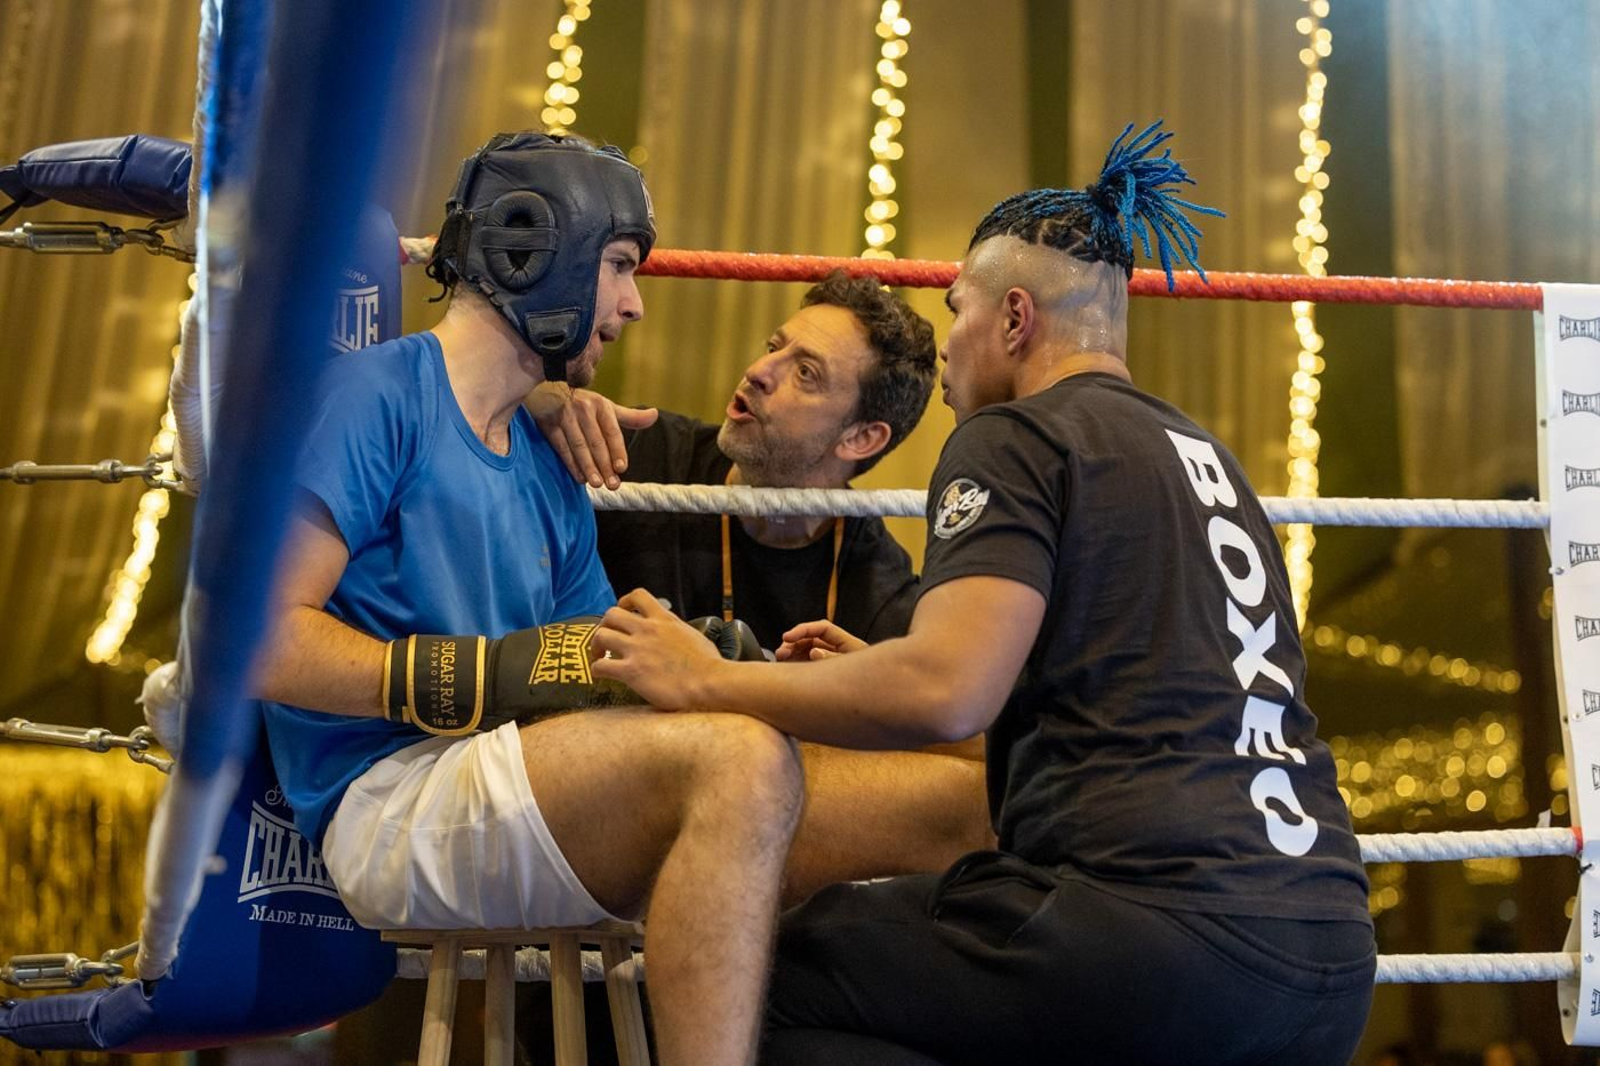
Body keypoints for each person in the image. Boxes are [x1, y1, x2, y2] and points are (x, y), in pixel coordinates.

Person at [587, 121, 1376, 1065]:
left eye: (957, 309)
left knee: (733, 973)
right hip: (1327, 959)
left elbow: (945, 692)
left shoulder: (1019, 436)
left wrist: (702, 678)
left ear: (1013, 320)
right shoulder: (1210, 461)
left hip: (1148, 936)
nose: (949, 344)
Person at [253, 131, 803, 1066]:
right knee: (739, 763)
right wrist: (479, 674)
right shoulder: (373, 396)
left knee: (902, 784)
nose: (633, 304)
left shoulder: (544, 463)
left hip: (511, 768)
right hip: (388, 800)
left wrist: (717, 667)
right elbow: (260, 643)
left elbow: (580, 655)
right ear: (533, 249)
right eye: (623, 265)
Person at [535, 274, 994, 910]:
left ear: (860, 438)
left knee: (974, 796)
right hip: (589, 828)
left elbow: (981, 742)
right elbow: (475, 431)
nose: (758, 371)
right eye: (775, 346)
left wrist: (859, 700)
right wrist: (544, 402)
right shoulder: (633, 456)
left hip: (739, 883)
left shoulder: (879, 586)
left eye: (805, 372)